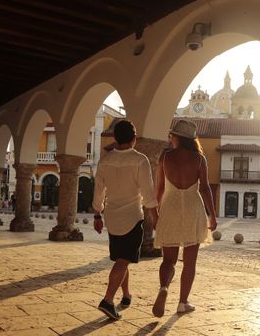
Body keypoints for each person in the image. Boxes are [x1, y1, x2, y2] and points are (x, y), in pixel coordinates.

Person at [92, 120, 158, 320]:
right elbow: (148, 194)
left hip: (112, 218)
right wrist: (156, 217)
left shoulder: (105, 161)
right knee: (123, 260)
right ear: (134, 139)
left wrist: (97, 214)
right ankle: (107, 301)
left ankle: (126, 295)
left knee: (122, 258)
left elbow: (98, 192)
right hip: (132, 218)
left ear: (115, 138)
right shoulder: (140, 160)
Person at [152, 119, 217, 317]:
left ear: (177, 137)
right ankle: (182, 302)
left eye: (172, 135)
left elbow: (160, 188)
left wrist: (155, 213)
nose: (170, 138)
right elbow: (205, 188)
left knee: (168, 260)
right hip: (193, 208)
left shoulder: (165, 156)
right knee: (190, 262)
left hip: (170, 207)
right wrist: (212, 215)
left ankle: (164, 287)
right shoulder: (199, 159)